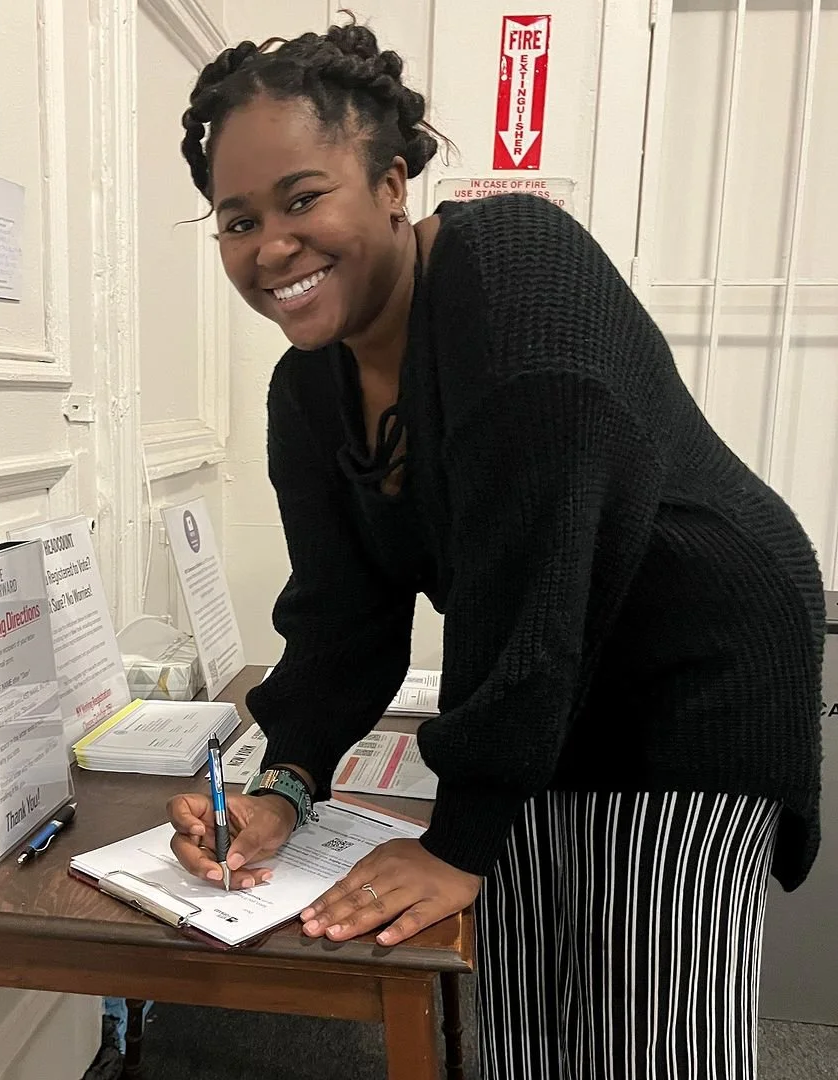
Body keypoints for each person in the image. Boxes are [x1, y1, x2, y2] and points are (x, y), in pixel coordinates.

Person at [164, 14, 826, 1076]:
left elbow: (539, 584)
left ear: (390, 182)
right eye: (236, 220)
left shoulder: (515, 273)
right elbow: (342, 617)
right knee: (520, 999)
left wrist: (461, 838)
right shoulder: (307, 390)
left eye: (301, 197)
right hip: (552, 667)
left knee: (653, 1025)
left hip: (693, 669)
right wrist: (282, 784)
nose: (269, 246)